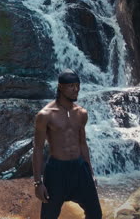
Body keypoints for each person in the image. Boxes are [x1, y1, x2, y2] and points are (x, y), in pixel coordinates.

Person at [32, 69, 102, 219]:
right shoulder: (45, 115)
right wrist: (38, 183)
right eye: (71, 86)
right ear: (60, 87)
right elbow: (37, 149)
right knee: (49, 216)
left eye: (77, 85)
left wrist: (90, 173)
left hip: (79, 168)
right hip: (56, 170)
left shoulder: (81, 113)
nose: (76, 89)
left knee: (95, 214)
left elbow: (83, 144)